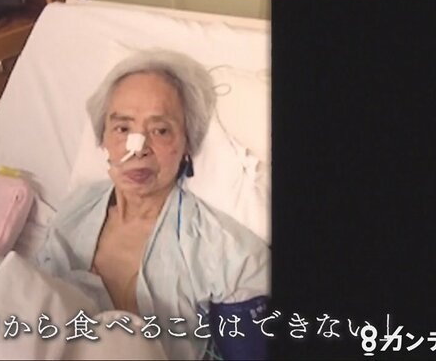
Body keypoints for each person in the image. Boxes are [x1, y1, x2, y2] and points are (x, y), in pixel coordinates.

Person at [37, 49, 270, 360]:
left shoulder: (228, 254)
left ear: (187, 144)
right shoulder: (72, 214)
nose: (138, 149)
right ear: (103, 138)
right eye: (123, 128)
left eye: (160, 130)